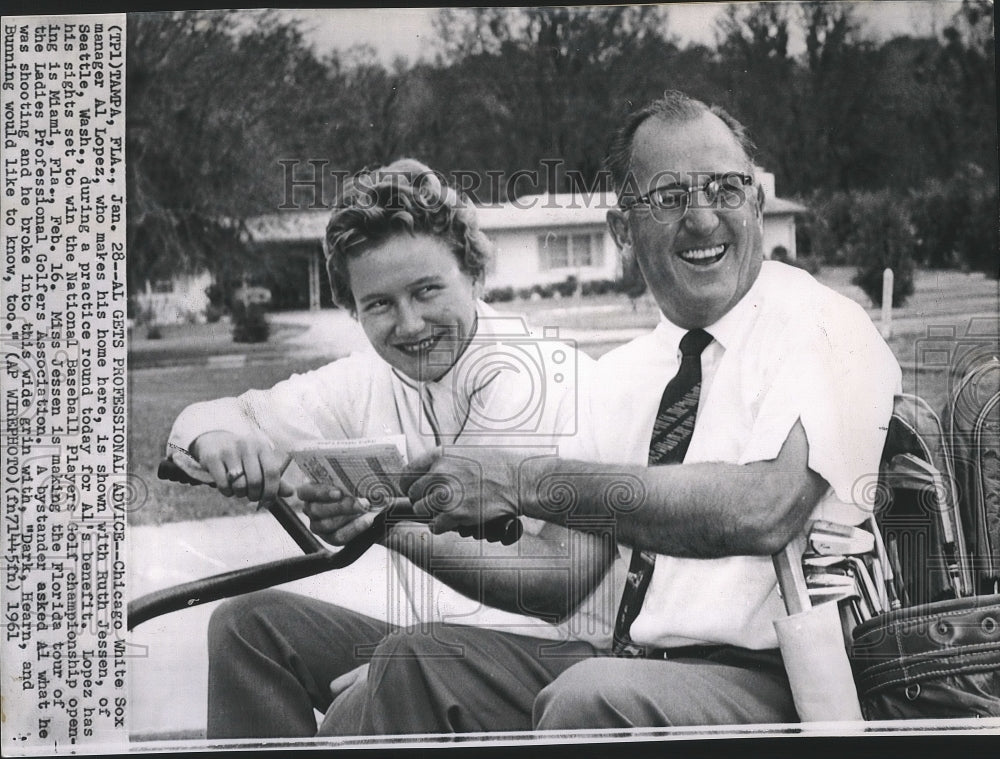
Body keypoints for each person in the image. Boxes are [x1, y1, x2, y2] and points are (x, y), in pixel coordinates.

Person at [322, 92, 902, 733]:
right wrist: (389, 526)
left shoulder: (824, 324)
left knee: (592, 696)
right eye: (670, 198)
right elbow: (561, 579)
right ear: (622, 229)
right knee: (416, 657)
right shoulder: (626, 374)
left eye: (726, 189)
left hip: (778, 684)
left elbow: (765, 508)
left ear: (757, 205)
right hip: (632, 665)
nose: (704, 219)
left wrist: (520, 481)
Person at [165, 159, 621, 738]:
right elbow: (210, 417)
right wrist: (220, 441)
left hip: (563, 667)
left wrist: (381, 525)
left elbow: (556, 588)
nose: (408, 325)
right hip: (424, 652)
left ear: (474, 275)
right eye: (379, 304)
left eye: (427, 290)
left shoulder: (548, 377)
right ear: (353, 310)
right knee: (246, 627)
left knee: (380, 688)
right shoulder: (367, 380)